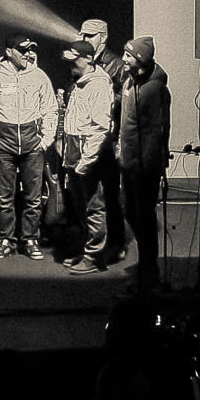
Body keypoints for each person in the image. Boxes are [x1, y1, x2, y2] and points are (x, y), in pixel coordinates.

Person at [0, 33, 58, 261]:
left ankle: (30, 239)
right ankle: (6, 240)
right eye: (22, 50)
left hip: (33, 146)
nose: (28, 54)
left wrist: (45, 140)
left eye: (30, 49)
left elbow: (51, 109)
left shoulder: (39, 76)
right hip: (3, 146)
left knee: (33, 197)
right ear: (9, 52)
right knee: (4, 197)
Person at [66, 19, 129, 263]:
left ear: (103, 37)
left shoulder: (116, 66)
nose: (84, 38)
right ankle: (92, 247)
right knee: (89, 199)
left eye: (90, 35)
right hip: (85, 140)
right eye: (82, 34)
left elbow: (123, 100)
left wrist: (100, 95)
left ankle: (114, 244)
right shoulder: (81, 60)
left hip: (105, 141)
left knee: (108, 196)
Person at [115, 35, 172, 294]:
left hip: (144, 167)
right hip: (129, 162)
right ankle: (146, 264)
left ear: (140, 59)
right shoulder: (130, 81)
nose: (123, 59)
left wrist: (148, 166)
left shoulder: (153, 89)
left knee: (145, 216)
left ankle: (149, 270)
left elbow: (156, 132)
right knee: (130, 211)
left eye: (128, 56)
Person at [54, 42, 114, 272]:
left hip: (87, 158)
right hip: (75, 156)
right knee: (81, 207)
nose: (71, 65)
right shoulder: (79, 83)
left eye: (75, 60)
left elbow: (100, 129)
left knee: (93, 207)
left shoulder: (97, 86)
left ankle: (94, 257)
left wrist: (85, 162)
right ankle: (86, 251)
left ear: (89, 58)